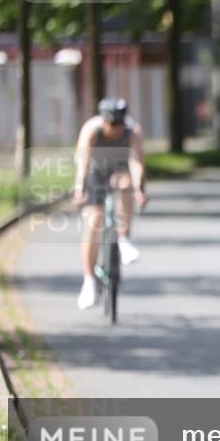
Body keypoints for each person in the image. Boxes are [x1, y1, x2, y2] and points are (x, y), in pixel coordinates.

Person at [72, 98, 148, 310]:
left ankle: (123, 240)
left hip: (122, 168)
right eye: (113, 124)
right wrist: (79, 187)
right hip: (96, 171)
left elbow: (136, 161)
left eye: (121, 124)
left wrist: (139, 187)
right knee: (93, 221)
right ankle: (89, 281)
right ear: (103, 121)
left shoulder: (132, 131)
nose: (117, 129)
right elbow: (83, 161)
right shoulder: (91, 130)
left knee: (126, 185)